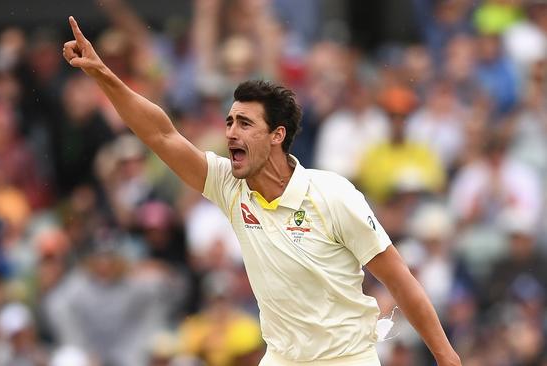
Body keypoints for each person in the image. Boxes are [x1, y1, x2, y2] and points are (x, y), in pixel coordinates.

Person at [62, 16, 461, 366]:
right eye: (229, 120)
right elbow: (161, 134)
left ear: (277, 135)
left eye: (245, 123)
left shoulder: (333, 194)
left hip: (347, 358)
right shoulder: (228, 185)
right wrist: (103, 76)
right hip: (281, 359)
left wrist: (447, 356)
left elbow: (400, 279)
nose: (231, 131)